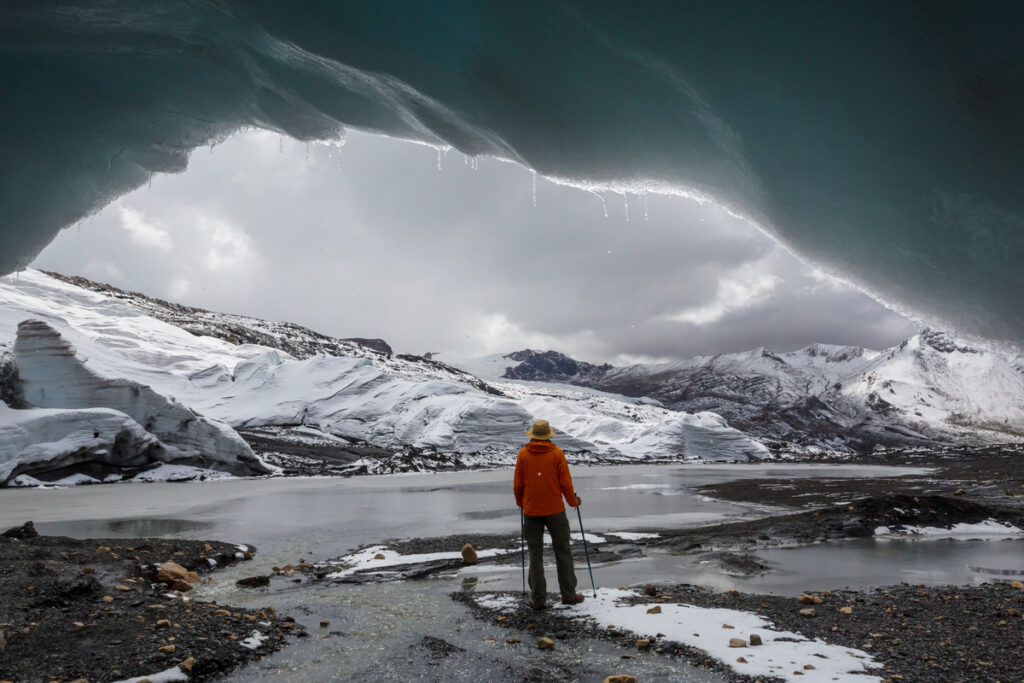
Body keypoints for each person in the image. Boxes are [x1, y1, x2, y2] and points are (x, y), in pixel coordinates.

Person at [514, 419, 584, 609]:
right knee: (563, 551)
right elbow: (566, 484)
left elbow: (518, 485)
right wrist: (573, 502)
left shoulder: (523, 455)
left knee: (535, 553)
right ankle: (568, 595)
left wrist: (521, 502)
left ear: (533, 436)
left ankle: (538, 599)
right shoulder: (556, 454)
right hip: (555, 510)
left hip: (531, 511)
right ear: (548, 436)